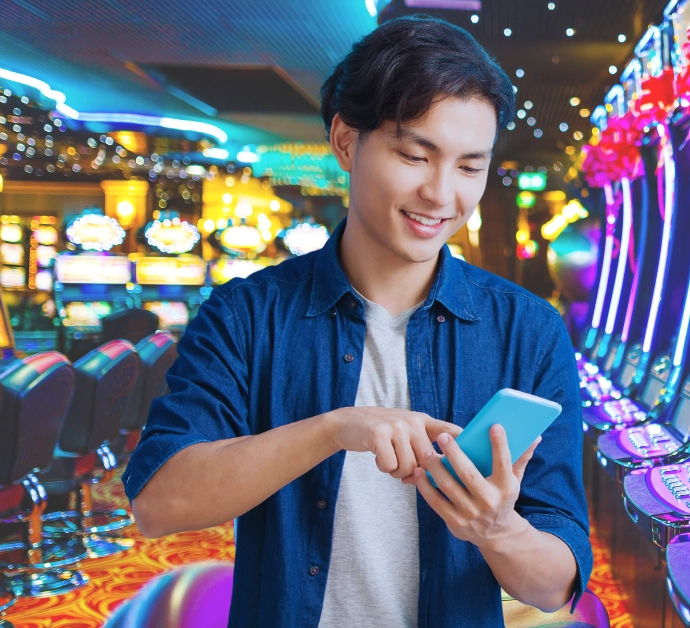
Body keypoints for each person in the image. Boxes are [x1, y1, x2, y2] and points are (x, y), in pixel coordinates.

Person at [122, 15, 590, 628]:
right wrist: (336, 429)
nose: (441, 194)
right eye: (414, 155)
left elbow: (556, 586)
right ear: (346, 140)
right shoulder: (247, 314)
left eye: (469, 167)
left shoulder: (527, 330)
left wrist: (496, 529)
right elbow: (159, 502)